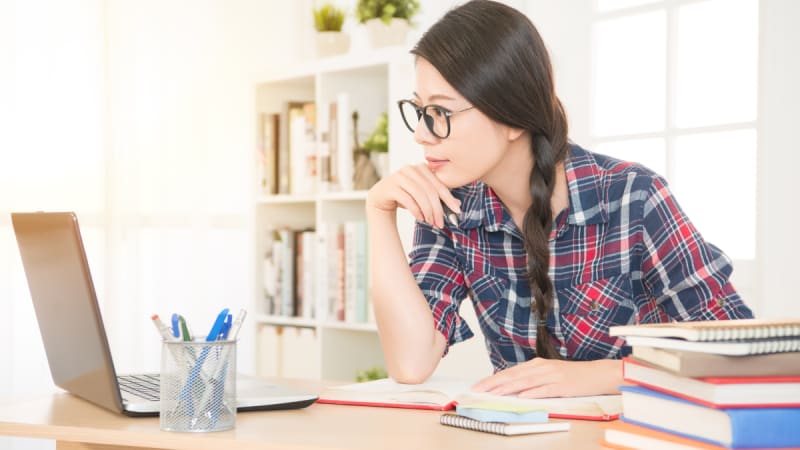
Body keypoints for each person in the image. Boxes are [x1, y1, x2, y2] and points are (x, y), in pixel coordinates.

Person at [365, 0, 753, 399]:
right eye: (419, 110)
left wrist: (609, 375)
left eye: (440, 112)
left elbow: (736, 351)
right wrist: (378, 214)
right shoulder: (450, 208)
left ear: (511, 117)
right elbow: (410, 364)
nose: (422, 135)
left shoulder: (632, 197)